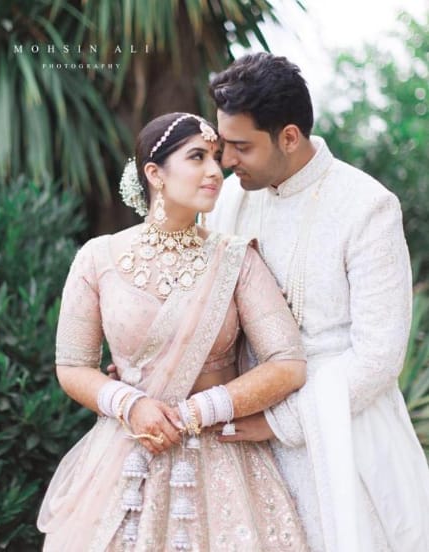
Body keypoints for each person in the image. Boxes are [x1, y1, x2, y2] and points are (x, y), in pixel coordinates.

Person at [37, 112, 309, 551]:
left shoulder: (236, 260)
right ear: (154, 174)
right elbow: (71, 366)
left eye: (217, 158)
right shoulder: (97, 258)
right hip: (124, 450)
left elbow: (288, 364)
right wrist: (131, 404)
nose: (214, 171)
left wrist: (199, 410)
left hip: (220, 458)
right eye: (197, 157)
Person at [207, 52, 429, 552]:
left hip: (343, 445)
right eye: (224, 145)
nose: (226, 161)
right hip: (238, 436)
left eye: (241, 147)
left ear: (289, 136)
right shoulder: (229, 198)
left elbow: (378, 356)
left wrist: (276, 423)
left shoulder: (367, 207)